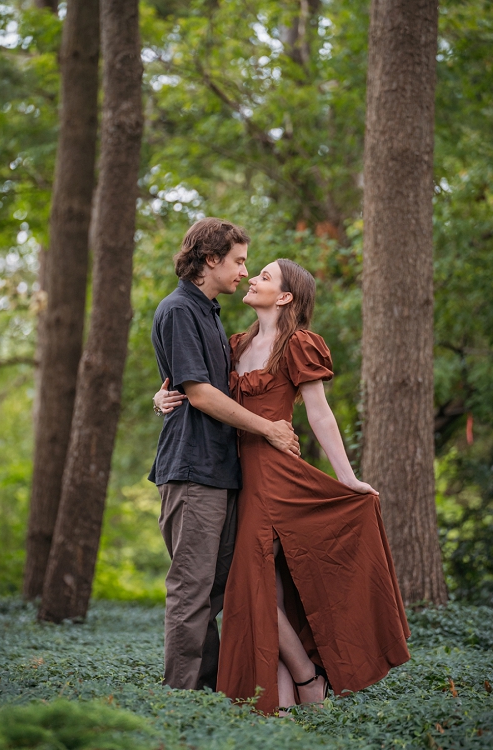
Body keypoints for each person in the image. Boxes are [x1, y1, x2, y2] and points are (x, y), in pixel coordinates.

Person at [156, 257, 410, 715]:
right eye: (249, 269)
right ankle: (286, 698)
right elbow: (194, 387)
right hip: (234, 473)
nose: (252, 277)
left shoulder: (298, 344)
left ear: (286, 296)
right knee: (260, 587)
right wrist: (161, 397)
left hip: (275, 475)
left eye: (265, 276)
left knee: (250, 582)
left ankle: (306, 679)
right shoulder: (234, 344)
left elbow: (319, 414)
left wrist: (345, 476)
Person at [148, 219, 299, 693]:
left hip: (222, 471)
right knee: (192, 592)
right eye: (238, 261)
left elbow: (199, 383)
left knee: (223, 587)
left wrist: (163, 395)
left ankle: (214, 693)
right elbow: (201, 394)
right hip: (193, 471)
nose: (244, 271)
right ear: (210, 259)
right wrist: (270, 430)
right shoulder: (179, 310)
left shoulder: (210, 313)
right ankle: (185, 703)